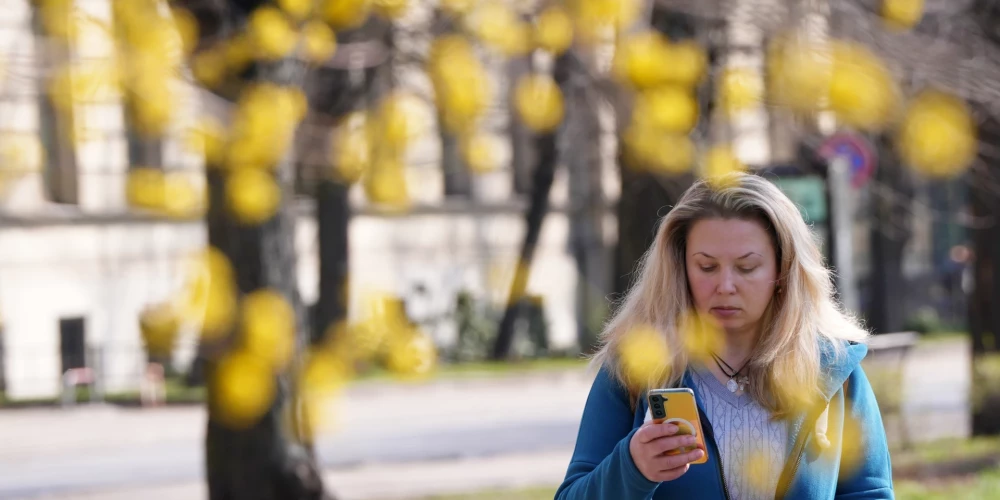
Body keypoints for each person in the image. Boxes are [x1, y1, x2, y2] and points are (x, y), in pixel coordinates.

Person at [555, 173, 893, 499]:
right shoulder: (634, 369)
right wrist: (631, 468)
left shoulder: (833, 369)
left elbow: (870, 494)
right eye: (706, 267)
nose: (725, 286)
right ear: (680, 267)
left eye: (747, 267)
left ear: (783, 270)